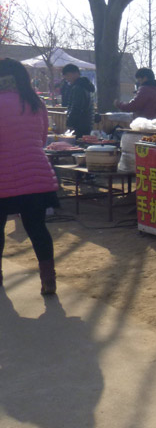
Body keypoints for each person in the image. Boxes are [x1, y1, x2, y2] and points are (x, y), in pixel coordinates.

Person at [0, 58, 60, 295]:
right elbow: (43, 139)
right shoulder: (36, 102)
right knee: (37, 229)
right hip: (36, 174)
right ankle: (48, 281)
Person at [61, 63, 95, 138]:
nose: (66, 79)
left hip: (79, 126)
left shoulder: (78, 88)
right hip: (87, 124)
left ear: (74, 74)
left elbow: (76, 108)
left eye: (67, 75)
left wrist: (70, 124)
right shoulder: (86, 87)